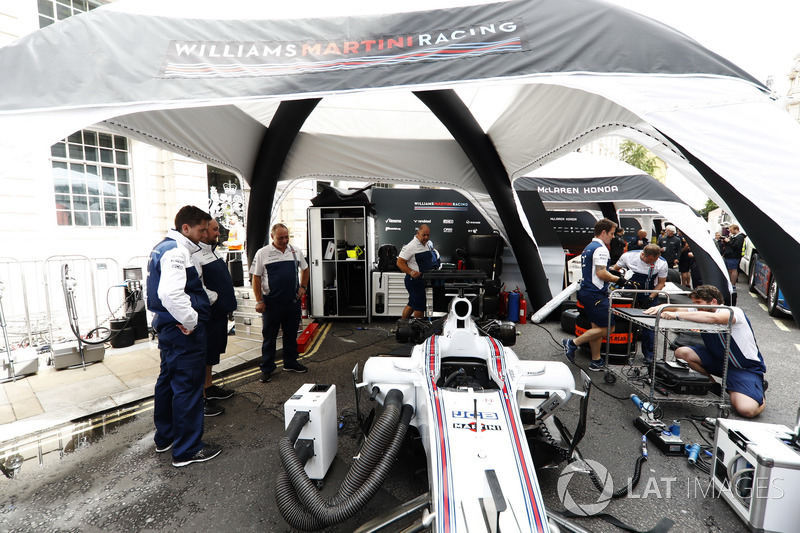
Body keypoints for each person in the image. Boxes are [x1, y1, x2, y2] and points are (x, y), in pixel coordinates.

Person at [146, 205, 221, 467]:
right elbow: (171, 294)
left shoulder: (164, 247)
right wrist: (192, 321)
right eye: (201, 230)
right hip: (182, 332)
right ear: (185, 228)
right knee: (188, 388)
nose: (203, 235)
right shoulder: (177, 251)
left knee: (167, 382)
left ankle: (165, 438)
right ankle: (187, 450)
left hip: (168, 330)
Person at [644, 285, 766, 418]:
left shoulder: (733, 311)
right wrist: (661, 307)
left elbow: (715, 319)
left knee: (746, 410)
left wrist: (676, 315)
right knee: (682, 352)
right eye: (694, 303)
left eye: (699, 303)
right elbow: (681, 307)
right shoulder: (700, 309)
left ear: (713, 302)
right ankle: (712, 385)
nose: (696, 307)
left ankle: (759, 391)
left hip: (743, 368)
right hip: (719, 360)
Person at [250, 223, 309, 383]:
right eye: (280, 237)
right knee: (269, 337)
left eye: (286, 237)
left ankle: (290, 362)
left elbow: (305, 269)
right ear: (272, 237)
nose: (284, 240)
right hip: (271, 304)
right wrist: (259, 300)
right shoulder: (263, 253)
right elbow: (256, 277)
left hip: (292, 302)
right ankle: (267, 368)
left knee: (291, 335)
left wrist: (303, 287)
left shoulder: (295, 251)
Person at [562, 218, 623, 371]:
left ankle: (596, 360)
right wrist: (621, 280)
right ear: (603, 232)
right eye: (611, 233)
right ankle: (572, 343)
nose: (613, 236)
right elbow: (601, 273)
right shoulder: (601, 249)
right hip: (595, 293)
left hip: (587, 291)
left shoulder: (590, 246)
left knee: (596, 327)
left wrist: (612, 273)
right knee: (609, 328)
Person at [196, 218, 238, 416]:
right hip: (209, 314)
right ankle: (201, 397)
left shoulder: (213, 251)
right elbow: (198, 286)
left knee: (213, 353)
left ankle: (209, 387)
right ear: (203, 231)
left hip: (220, 313)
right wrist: (215, 298)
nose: (217, 233)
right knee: (203, 355)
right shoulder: (195, 254)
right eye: (214, 230)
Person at [613, 244, 668, 364]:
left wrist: (650, 298)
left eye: (654, 261)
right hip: (629, 292)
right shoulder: (628, 256)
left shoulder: (662, 263)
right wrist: (620, 279)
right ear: (643, 254)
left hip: (649, 293)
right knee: (625, 321)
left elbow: (661, 283)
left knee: (649, 325)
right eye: (649, 261)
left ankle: (649, 354)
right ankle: (623, 350)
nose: (651, 263)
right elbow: (614, 270)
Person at [397, 224, 441, 319]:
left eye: (428, 235)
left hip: (421, 280)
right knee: (419, 307)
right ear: (418, 233)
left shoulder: (426, 244)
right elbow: (400, 262)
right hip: (413, 281)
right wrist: (411, 272)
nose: (426, 237)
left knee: (413, 304)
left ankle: (402, 325)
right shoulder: (411, 246)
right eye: (424, 235)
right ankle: (419, 329)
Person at [721, 224, 746, 304]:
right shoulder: (734, 236)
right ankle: (730, 283)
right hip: (729, 255)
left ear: (736, 229)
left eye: (731, 230)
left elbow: (736, 246)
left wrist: (729, 241)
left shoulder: (740, 237)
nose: (730, 232)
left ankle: (733, 283)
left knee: (733, 269)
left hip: (734, 256)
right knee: (729, 269)